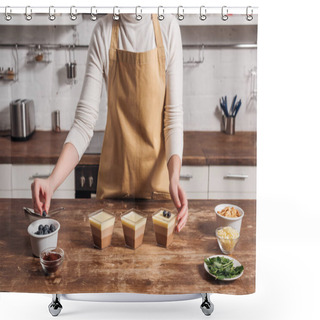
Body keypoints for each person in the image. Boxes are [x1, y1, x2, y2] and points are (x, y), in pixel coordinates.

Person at [31, 13, 188, 232]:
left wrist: (174, 177)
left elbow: (173, 117)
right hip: (113, 191)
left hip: (157, 191)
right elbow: (85, 121)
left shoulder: (168, 27)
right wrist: (51, 181)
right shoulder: (103, 31)